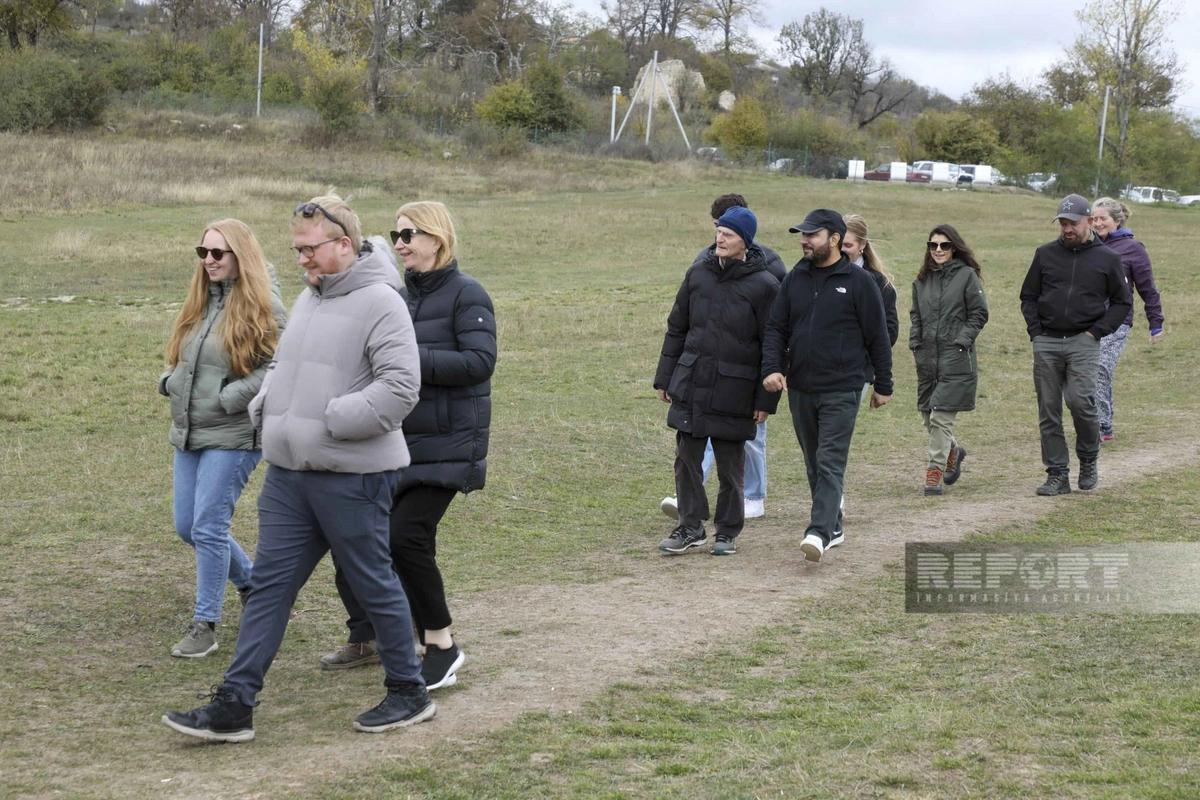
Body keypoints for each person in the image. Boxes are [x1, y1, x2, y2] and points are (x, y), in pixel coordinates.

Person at [163, 194, 433, 742]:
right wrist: (268, 412)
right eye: (297, 250)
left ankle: (409, 691)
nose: (302, 259)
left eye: (310, 249)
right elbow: (282, 368)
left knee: (373, 581)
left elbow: (401, 387)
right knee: (268, 588)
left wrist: (332, 421)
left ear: (344, 244)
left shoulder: (382, 301)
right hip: (290, 476)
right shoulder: (311, 298)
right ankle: (236, 704)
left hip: (352, 475)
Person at [323, 201, 495, 693]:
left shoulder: (468, 293)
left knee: (405, 537)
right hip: (400, 443)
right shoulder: (399, 297)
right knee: (382, 540)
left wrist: (408, 358)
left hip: (450, 444)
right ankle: (395, 638)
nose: (399, 244)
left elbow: (479, 362)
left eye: (408, 235)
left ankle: (441, 646)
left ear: (436, 238)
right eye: (395, 235)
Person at [160, 219, 286, 658]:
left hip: (234, 433)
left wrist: (229, 397)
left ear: (240, 255)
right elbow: (185, 354)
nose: (209, 261)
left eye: (218, 253)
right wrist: (170, 379)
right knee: (187, 526)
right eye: (203, 252)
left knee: (209, 526)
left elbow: (280, 366)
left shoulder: (264, 303)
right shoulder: (203, 299)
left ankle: (205, 625)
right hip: (191, 430)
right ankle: (252, 584)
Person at [762, 209, 893, 563]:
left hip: (842, 388)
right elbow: (776, 328)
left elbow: (878, 337)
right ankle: (833, 525)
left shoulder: (860, 282)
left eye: (812, 235)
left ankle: (818, 532)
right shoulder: (794, 279)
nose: (804, 241)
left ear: (834, 239)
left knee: (830, 460)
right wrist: (772, 368)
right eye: (803, 235)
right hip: (801, 387)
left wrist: (883, 383)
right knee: (813, 462)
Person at [654, 206, 781, 556]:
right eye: (719, 232)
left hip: (736, 390)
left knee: (730, 467)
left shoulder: (766, 286)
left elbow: (773, 346)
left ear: (745, 241)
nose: (720, 239)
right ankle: (690, 526)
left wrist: (765, 401)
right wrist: (665, 378)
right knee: (686, 460)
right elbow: (677, 328)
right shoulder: (697, 274)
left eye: (729, 234)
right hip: (692, 383)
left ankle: (727, 532)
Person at [1019, 194, 1132, 496]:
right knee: (1049, 410)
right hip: (1047, 342)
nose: (1067, 229)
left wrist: (1096, 332)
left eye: (1072, 223)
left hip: (1084, 341)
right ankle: (1057, 473)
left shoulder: (1107, 258)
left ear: (1089, 221)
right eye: (1062, 224)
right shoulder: (1045, 254)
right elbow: (1028, 295)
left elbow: (1122, 302)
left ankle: (1088, 458)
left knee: (1081, 403)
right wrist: (1036, 332)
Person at [909, 224, 989, 496]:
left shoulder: (966, 276)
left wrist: (961, 341)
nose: (938, 250)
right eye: (933, 245)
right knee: (927, 416)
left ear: (954, 247)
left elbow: (979, 313)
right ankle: (953, 450)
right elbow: (916, 316)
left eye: (944, 245)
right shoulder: (921, 280)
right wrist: (915, 342)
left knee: (941, 418)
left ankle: (934, 472)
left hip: (956, 358)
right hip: (927, 359)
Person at [1090, 197, 1164, 442]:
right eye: (1094, 219)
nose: (1098, 223)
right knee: (1092, 371)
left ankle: (1101, 426)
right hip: (1087, 321)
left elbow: (1148, 288)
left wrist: (1155, 323)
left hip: (1117, 321)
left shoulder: (1133, 249)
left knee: (1100, 368)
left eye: (1103, 219)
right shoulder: (1087, 245)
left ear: (1117, 220)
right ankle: (1102, 421)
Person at [841, 214, 899, 403]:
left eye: (848, 245)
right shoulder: (820, 277)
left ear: (862, 245)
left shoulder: (879, 284)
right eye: (838, 244)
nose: (841, 250)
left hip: (857, 370)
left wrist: (857, 354)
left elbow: (889, 332)